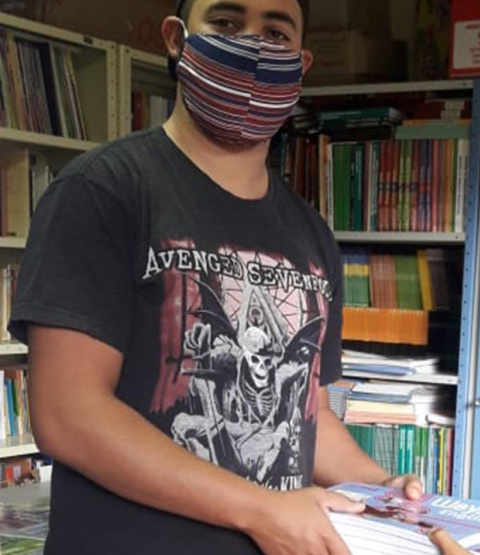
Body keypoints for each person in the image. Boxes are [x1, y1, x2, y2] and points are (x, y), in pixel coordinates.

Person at [9, 1, 426, 554]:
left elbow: (309, 413)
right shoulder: (103, 192)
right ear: (176, 40)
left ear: (301, 65)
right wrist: (263, 511)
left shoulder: (312, 235)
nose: (252, 45)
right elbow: (67, 413)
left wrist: (380, 486)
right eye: (227, 24)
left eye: (275, 32)